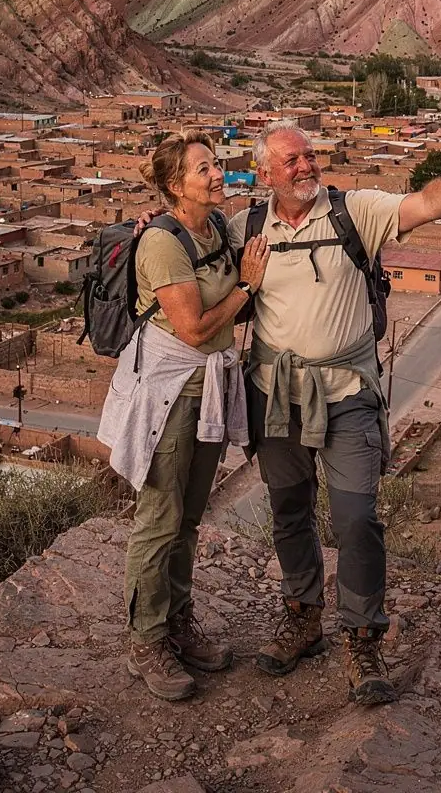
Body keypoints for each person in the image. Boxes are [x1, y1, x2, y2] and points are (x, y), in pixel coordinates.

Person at [229, 117, 441, 706]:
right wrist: (150, 224)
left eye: (310, 155)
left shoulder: (352, 210)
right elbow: (189, 247)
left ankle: (362, 639)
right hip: (276, 395)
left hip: (348, 394)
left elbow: (425, 205)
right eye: (292, 160)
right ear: (264, 174)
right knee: (289, 510)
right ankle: (302, 616)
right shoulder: (244, 228)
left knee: (357, 518)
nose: (307, 166)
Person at [97, 131, 270, 702]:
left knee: (189, 517)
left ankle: (177, 620)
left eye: (216, 164)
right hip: (169, 394)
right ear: (175, 185)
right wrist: (246, 286)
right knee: (160, 518)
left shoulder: (216, 227)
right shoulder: (162, 244)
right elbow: (193, 329)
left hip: (209, 389)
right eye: (204, 169)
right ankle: (145, 640)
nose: (218, 174)